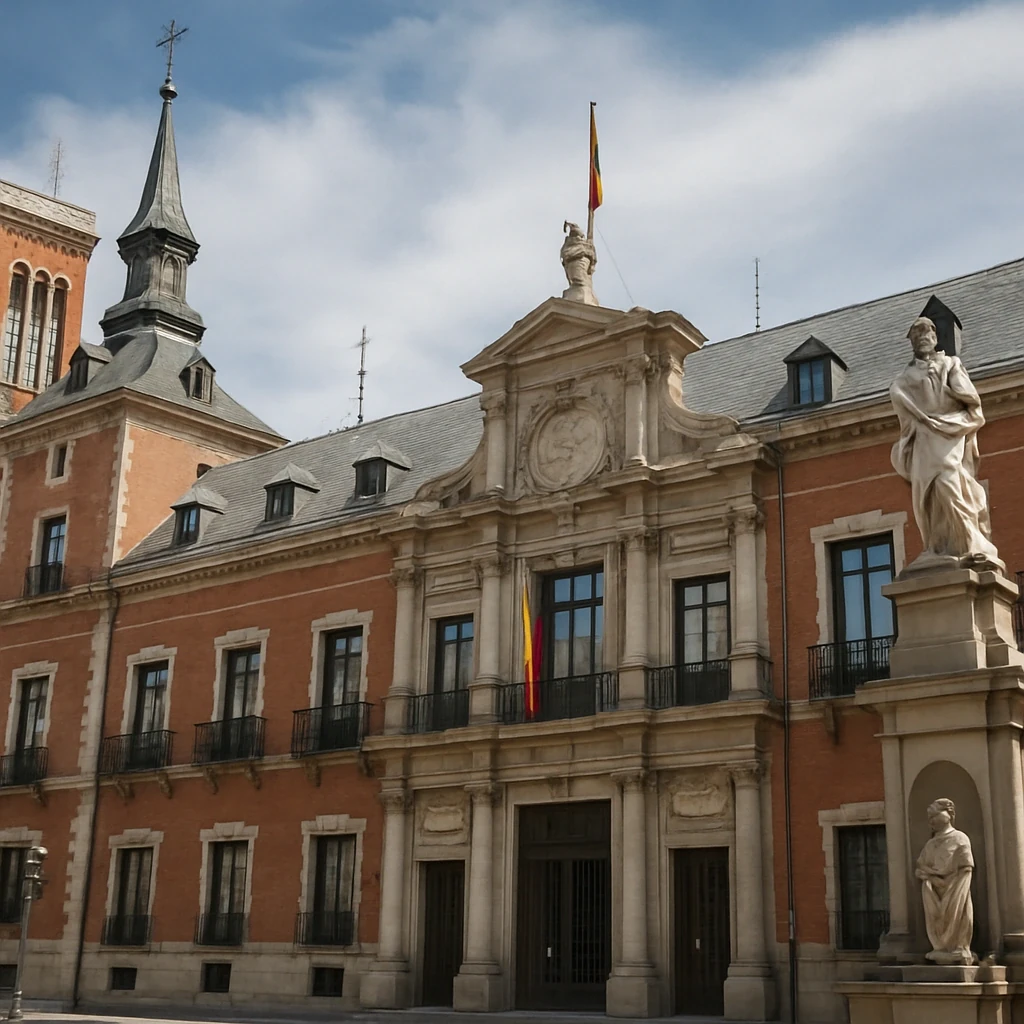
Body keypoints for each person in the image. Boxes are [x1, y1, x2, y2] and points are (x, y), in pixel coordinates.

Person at [890, 317, 1000, 569]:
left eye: (927, 332)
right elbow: (899, 399)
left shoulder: (951, 364)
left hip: (949, 433)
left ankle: (970, 544)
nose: (922, 337)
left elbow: (970, 402)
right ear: (911, 342)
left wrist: (946, 421)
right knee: (926, 496)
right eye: (916, 333)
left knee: (949, 483)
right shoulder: (904, 377)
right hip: (922, 439)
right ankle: (937, 547)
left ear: (936, 338)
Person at [915, 797, 975, 963]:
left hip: (956, 888)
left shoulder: (960, 838)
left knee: (961, 914)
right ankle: (940, 947)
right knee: (936, 920)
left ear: (949, 813)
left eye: (935, 814)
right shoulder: (930, 844)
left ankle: (960, 946)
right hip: (934, 892)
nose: (931, 820)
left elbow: (966, 868)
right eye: (929, 817)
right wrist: (929, 877)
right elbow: (921, 866)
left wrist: (956, 889)